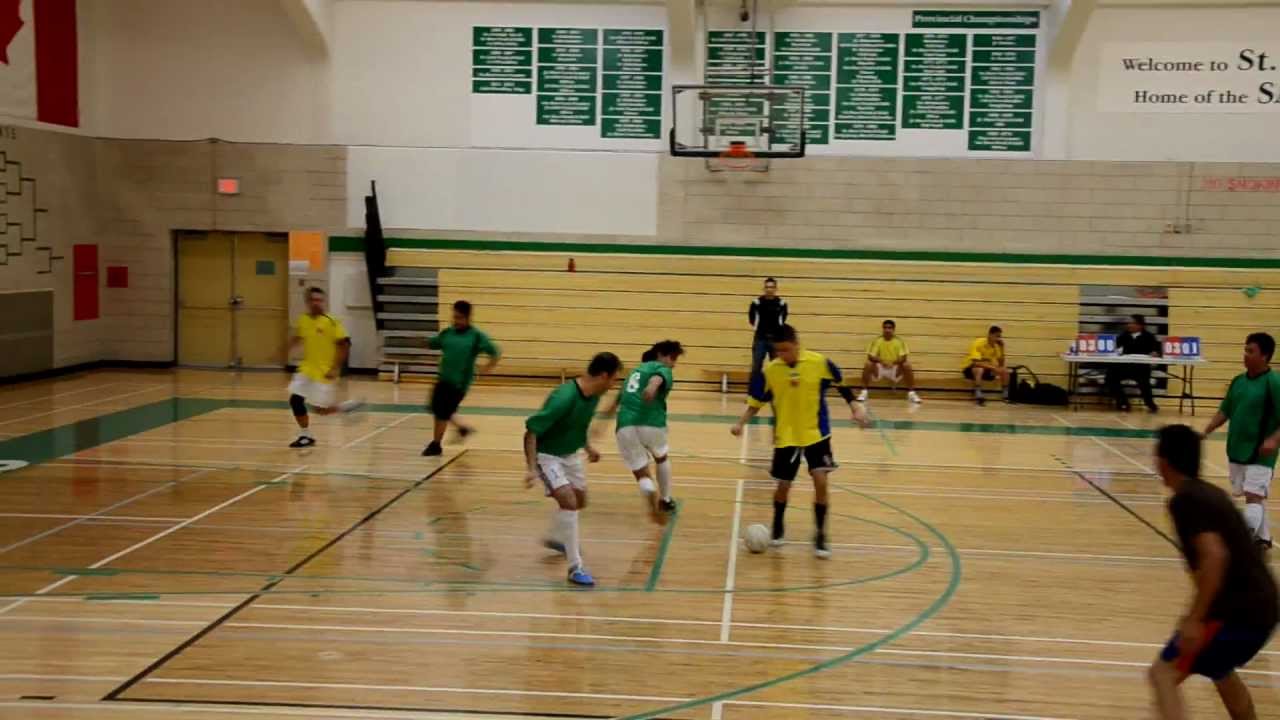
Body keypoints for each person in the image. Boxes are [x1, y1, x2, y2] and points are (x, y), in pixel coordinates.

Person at [1148, 424, 1277, 720]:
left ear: (1164, 461)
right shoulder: (1208, 493)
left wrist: (1195, 619)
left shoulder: (1185, 501)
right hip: (1264, 607)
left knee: (1163, 674)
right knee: (1219, 668)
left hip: (1240, 613)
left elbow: (1214, 556)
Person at [730, 324, 869, 558]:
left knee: (821, 481)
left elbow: (841, 383)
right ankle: (778, 524)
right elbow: (757, 400)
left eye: (785, 350)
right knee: (783, 486)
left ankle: (821, 533)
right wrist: (741, 423)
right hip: (787, 437)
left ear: (796, 344)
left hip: (816, 434)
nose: (782, 355)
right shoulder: (772, 370)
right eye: (778, 351)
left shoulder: (818, 363)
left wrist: (855, 405)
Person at [524, 352, 623, 587]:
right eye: (613, 380)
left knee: (579, 501)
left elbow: (579, 424)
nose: (613, 386)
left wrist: (588, 447)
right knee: (568, 502)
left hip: (571, 454)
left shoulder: (593, 396)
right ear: (603, 375)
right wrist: (530, 468)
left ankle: (557, 536)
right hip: (547, 456)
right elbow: (531, 431)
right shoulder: (564, 397)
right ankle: (575, 567)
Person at [1202, 332, 1280, 551]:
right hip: (1236, 448)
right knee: (1249, 494)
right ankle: (1263, 539)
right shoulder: (1238, 381)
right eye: (1245, 350)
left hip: (1261, 452)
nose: (1245, 355)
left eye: (1250, 351)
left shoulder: (1274, 382)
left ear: (1265, 356)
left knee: (1254, 495)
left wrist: (1274, 439)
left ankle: (1241, 544)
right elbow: (1225, 411)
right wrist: (1206, 430)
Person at [609, 340, 684, 523]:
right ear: (660, 355)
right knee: (661, 457)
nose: (673, 363)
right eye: (672, 358)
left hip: (624, 425)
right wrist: (651, 387)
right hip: (651, 421)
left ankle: (649, 489)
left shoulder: (633, 373)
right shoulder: (661, 367)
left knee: (642, 473)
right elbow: (657, 378)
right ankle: (665, 500)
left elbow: (615, 402)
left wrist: (599, 426)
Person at [285, 287, 364, 448]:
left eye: (319, 300)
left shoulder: (331, 321)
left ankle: (346, 406)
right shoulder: (304, 320)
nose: (317, 303)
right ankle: (305, 436)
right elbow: (299, 337)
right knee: (295, 400)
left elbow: (345, 345)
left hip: (324, 372)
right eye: (313, 300)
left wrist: (335, 368)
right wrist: (283, 350)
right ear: (307, 302)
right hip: (306, 369)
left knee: (320, 410)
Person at [422, 300, 501, 457]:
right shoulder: (448, 333)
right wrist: (422, 342)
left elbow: (495, 352)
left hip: (458, 384)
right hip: (442, 380)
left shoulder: (476, 336)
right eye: (454, 317)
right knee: (437, 409)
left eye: (460, 318)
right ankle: (461, 429)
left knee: (442, 413)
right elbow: (434, 343)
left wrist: (487, 368)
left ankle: (436, 445)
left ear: (468, 318)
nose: (456, 321)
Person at [857, 319, 922, 404]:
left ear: (893, 329)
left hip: (894, 369)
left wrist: (893, 363)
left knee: (907, 365)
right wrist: (882, 361)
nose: (887, 330)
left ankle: (912, 393)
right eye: (885, 328)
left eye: (889, 328)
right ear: (883, 329)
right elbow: (870, 356)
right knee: (868, 364)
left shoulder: (899, 341)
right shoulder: (877, 340)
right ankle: (864, 392)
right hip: (880, 369)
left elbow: (904, 357)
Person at [1107, 314, 1161, 413]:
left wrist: (1155, 353)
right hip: (1125, 366)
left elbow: (1157, 350)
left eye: (1132, 323)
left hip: (1141, 368)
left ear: (1140, 325)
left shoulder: (1149, 336)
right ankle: (1123, 402)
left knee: (1144, 383)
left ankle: (1150, 404)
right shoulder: (1123, 335)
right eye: (1128, 323)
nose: (1129, 325)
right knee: (1110, 377)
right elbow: (1113, 348)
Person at [748, 278, 788, 390]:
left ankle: (775, 393)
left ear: (776, 289)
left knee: (776, 367)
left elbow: (782, 320)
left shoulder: (782, 303)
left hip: (775, 340)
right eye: (767, 287)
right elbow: (752, 320)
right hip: (760, 339)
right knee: (756, 367)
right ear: (764, 288)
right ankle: (753, 393)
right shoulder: (756, 303)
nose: (769, 289)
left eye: (771, 287)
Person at [963, 326, 1010, 406]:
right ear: (990, 335)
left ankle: (1005, 395)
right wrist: (994, 368)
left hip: (987, 369)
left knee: (1004, 370)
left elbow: (1001, 364)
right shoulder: (978, 343)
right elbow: (976, 363)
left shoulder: (996, 346)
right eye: (997, 336)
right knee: (979, 369)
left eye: (999, 337)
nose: (998, 339)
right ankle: (978, 394)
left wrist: (1002, 348)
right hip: (970, 369)